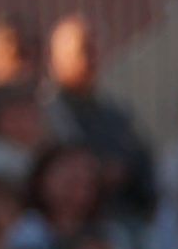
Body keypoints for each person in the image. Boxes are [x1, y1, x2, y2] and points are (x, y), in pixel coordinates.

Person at [42, 14, 158, 220]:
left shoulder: (114, 111)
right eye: (82, 51)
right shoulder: (46, 111)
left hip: (124, 214)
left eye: (94, 50)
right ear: (56, 57)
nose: (90, 60)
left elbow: (141, 156)